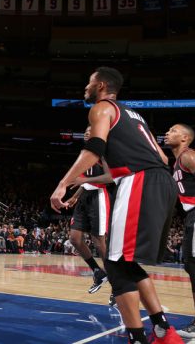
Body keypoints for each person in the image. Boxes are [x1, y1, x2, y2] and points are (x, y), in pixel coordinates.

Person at [50, 67, 181, 344]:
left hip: (140, 182)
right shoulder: (135, 116)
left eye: (89, 81)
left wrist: (63, 183)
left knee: (115, 264)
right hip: (161, 183)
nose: (85, 85)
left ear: (100, 85)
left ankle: (137, 338)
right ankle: (162, 330)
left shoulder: (102, 108)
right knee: (126, 262)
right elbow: (163, 157)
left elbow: (93, 148)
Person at [164, 124, 195, 339]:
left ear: (185, 138)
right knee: (193, 264)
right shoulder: (177, 162)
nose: (167, 132)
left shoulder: (191, 156)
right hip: (193, 213)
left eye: (173, 130)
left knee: (194, 263)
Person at [63, 126, 114, 300]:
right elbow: (84, 181)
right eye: (85, 130)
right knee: (74, 238)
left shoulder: (103, 152)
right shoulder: (86, 153)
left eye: (90, 130)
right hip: (84, 197)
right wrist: (75, 196)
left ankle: (117, 285)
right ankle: (98, 271)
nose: (86, 132)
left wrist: (84, 181)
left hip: (98, 197)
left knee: (99, 241)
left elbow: (109, 178)